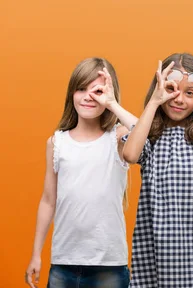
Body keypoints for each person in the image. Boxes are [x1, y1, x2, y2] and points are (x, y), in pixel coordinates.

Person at [122, 53, 193, 287]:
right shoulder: (150, 137)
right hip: (157, 257)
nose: (179, 99)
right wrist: (154, 101)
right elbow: (130, 155)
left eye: (189, 93)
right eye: (172, 89)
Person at [25, 57, 137, 288]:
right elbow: (48, 200)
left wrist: (112, 103)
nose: (88, 96)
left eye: (96, 91)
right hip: (63, 262)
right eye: (81, 89)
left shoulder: (117, 137)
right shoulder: (56, 142)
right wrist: (36, 253)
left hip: (109, 264)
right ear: (71, 94)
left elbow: (146, 134)